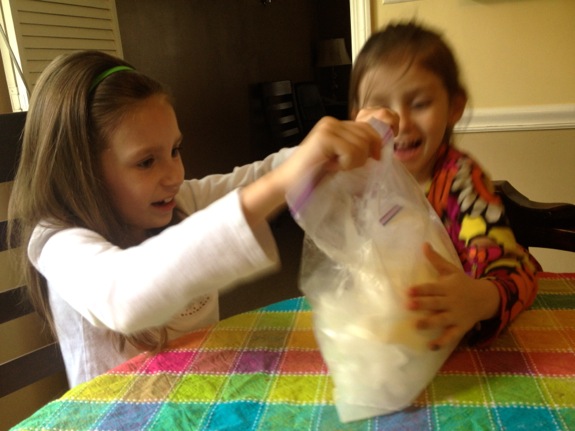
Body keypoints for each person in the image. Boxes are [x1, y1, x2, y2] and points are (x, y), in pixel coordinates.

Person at [8, 50, 381, 387]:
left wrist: (326, 149)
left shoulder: (181, 200)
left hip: (198, 398)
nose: (173, 174)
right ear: (81, 171)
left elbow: (256, 177)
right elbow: (122, 295)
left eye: (175, 149)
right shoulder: (56, 241)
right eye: (146, 161)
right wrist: (285, 179)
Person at [349, 22, 539, 351]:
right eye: (382, 108)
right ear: (357, 116)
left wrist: (479, 299)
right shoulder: (362, 181)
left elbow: (517, 275)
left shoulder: (460, 183)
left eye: (420, 103)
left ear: (453, 107)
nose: (401, 122)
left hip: (458, 340)